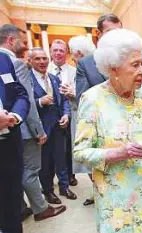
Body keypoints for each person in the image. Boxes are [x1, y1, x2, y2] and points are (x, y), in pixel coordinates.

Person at [73, 28, 142, 233]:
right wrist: (117, 153)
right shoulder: (93, 99)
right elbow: (80, 152)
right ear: (113, 68)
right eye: (135, 65)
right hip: (119, 200)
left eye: (141, 63)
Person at [0, 25, 66, 222]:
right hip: (22, 130)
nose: (27, 46)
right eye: (25, 42)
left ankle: (20, 207)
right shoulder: (13, 62)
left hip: (12, 127)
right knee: (30, 171)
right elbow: (26, 100)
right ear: (11, 40)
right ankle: (40, 208)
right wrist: (38, 130)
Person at [29, 48, 76, 204]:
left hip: (58, 127)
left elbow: (64, 102)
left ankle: (64, 187)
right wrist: (39, 102)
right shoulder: (27, 80)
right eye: (37, 59)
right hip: (40, 128)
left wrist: (66, 115)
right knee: (45, 162)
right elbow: (24, 104)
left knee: (61, 158)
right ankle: (48, 191)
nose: (42, 62)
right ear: (30, 61)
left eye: (44, 58)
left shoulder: (53, 78)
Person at [0, 52, 30, 233]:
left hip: (9, 146)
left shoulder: (3, 59)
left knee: (11, 208)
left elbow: (20, 94)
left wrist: (15, 116)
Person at [68, 35, 96, 206]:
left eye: (72, 53)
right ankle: (96, 191)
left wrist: (73, 94)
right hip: (82, 117)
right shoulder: (84, 65)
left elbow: (83, 97)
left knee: (90, 158)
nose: (71, 57)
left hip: (89, 119)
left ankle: (99, 191)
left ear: (78, 52)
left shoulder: (86, 65)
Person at [48, 39, 78, 187]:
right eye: (55, 50)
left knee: (70, 145)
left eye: (61, 50)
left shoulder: (74, 71)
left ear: (67, 53)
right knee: (52, 147)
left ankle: (70, 174)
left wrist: (73, 93)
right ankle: (51, 176)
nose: (58, 53)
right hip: (51, 113)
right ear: (51, 52)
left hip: (71, 111)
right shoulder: (44, 69)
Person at [75, 14, 122, 103]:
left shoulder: (128, 60)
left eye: (118, 33)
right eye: (110, 32)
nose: (116, 37)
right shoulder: (85, 64)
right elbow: (83, 100)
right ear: (98, 33)